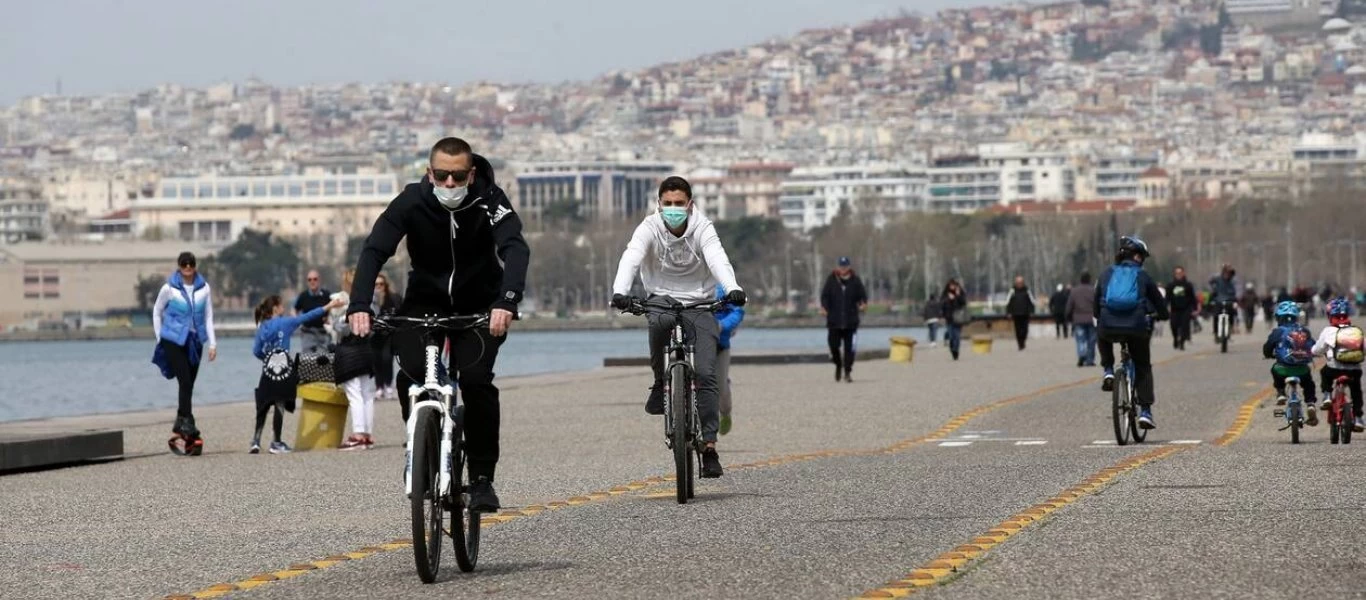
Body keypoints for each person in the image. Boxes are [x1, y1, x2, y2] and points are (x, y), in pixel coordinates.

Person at [346, 136, 530, 512]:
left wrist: (506, 301)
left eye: (458, 176)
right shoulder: (412, 200)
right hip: (423, 305)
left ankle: (481, 478)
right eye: (442, 175)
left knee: (476, 381)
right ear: (429, 173)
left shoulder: (489, 199)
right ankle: (420, 444)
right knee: (410, 374)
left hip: (479, 308)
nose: (449, 184)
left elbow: (514, 248)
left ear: (470, 173)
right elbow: (374, 249)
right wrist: (359, 304)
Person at [611, 175, 746, 479]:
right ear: (659, 204)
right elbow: (631, 257)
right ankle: (661, 384)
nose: (673, 209)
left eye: (679, 204)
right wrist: (620, 292)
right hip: (661, 297)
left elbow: (718, 260)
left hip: (699, 302)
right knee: (658, 323)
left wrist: (733, 287)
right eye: (668, 204)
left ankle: (709, 447)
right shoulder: (649, 227)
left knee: (708, 373)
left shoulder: (703, 228)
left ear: (690, 205)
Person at [252, 294, 345, 454]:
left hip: (266, 372)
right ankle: (276, 442)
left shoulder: (262, 327)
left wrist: (268, 358)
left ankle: (255, 441)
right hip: (282, 371)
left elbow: (256, 351)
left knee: (263, 405)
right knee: (280, 403)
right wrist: (328, 306)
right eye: (282, 305)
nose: (284, 308)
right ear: (275, 308)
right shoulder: (286, 323)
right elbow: (308, 316)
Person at [1096, 236, 1168, 429]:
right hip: (1136, 327)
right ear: (1138, 257)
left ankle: (1109, 370)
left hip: (1109, 326)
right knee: (1143, 365)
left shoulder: (1106, 273)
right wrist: (1164, 315)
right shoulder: (1143, 276)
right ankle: (1145, 412)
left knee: (1101, 333)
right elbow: (1158, 302)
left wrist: (1100, 317)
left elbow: (1096, 303)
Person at [152, 252, 218, 454]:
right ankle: (187, 423)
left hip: (194, 342)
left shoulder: (204, 288)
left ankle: (181, 421)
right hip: (173, 340)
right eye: (184, 264)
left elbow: (208, 317)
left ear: (195, 266)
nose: (187, 267)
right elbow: (157, 311)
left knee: (189, 383)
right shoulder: (169, 288)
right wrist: (159, 339)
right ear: (179, 266)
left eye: (191, 264)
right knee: (185, 382)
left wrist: (212, 344)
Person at [331, 269, 378, 450]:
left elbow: (340, 329)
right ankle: (366, 434)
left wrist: (336, 319)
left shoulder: (343, 304)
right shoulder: (370, 302)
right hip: (366, 350)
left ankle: (358, 434)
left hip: (349, 352)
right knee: (367, 394)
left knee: (355, 394)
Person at [1312, 298, 1366, 432]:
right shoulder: (1356, 330)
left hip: (1334, 368)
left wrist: (1312, 352)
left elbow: (1317, 349)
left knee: (1324, 373)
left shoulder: (1328, 331)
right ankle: (1358, 418)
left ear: (1330, 315)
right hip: (1354, 370)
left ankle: (1327, 396)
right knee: (1356, 391)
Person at [1263, 300, 1318, 425]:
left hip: (1283, 369)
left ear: (1278, 317)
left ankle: (1281, 392)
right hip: (1302, 370)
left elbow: (1267, 348)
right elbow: (1314, 347)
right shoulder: (1304, 330)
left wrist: (1268, 355)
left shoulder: (1278, 332)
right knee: (1308, 383)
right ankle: (1310, 403)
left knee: (1274, 370)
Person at [821, 256, 868, 382]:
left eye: (845, 266)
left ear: (849, 267)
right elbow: (825, 296)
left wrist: (863, 304)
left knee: (850, 349)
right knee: (834, 346)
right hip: (834, 321)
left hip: (851, 322)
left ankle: (847, 372)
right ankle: (838, 364)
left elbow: (862, 296)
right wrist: (824, 308)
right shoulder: (831, 280)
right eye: (841, 266)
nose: (843, 269)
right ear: (838, 267)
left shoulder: (855, 280)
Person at [715, 286, 745, 436]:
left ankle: (725, 413)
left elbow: (738, 311)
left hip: (719, 344)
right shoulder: (685, 285)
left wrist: (722, 326)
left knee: (721, 386)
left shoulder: (721, 287)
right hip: (694, 343)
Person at [372, 273, 401, 400]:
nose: (379, 286)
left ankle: (388, 385)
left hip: (389, 334)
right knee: (376, 361)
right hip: (375, 335)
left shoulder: (392, 298)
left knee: (387, 359)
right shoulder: (372, 299)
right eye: (376, 284)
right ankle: (379, 386)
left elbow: (399, 312)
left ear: (385, 285)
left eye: (381, 284)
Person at [294, 269, 332, 353]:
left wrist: (329, 319)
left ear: (319, 280)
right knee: (307, 358)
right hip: (308, 332)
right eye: (309, 280)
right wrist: (298, 321)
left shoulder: (326, 295)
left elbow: (332, 309)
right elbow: (295, 309)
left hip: (323, 332)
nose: (312, 282)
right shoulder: (303, 296)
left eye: (315, 279)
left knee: (324, 357)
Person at [1065, 272, 1097, 367]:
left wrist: (1068, 317)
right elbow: (1098, 304)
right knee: (1091, 340)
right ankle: (1090, 360)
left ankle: (1082, 354)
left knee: (1080, 339)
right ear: (1089, 280)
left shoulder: (1074, 291)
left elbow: (1069, 306)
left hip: (1078, 319)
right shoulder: (1093, 291)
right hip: (1091, 319)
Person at [1165, 266, 1197, 350]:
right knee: (1173, 326)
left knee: (1184, 326)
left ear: (1183, 273)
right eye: (1177, 273)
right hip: (1175, 309)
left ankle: (1182, 342)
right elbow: (1167, 297)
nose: (1178, 275)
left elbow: (1192, 297)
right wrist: (1165, 307)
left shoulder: (1188, 285)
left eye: (1180, 273)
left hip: (1186, 309)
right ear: (1174, 274)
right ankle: (1175, 338)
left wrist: (1195, 309)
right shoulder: (1171, 285)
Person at [1006, 275, 1035, 351]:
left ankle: (1023, 340)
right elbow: (1008, 302)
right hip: (1016, 313)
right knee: (1018, 329)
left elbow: (1031, 301)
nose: (1019, 284)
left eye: (1021, 282)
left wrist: (1032, 311)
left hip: (1025, 313)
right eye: (1018, 282)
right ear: (1016, 283)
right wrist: (1009, 312)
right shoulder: (1012, 291)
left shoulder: (1027, 290)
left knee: (1025, 329)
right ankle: (1020, 344)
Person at [941, 279, 968, 360]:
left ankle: (956, 350)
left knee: (957, 336)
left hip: (958, 318)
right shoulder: (945, 294)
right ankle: (952, 348)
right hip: (949, 318)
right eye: (951, 285)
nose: (952, 287)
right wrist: (949, 299)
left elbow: (963, 302)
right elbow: (942, 304)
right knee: (951, 336)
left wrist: (957, 295)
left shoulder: (960, 292)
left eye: (954, 285)